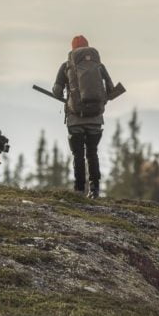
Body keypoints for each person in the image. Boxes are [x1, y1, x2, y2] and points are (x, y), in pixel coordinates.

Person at [52, 35, 114, 198]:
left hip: (75, 119)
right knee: (92, 153)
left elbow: (57, 91)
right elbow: (111, 89)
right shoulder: (99, 66)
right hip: (95, 118)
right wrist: (101, 100)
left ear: (72, 49)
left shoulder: (66, 66)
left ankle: (79, 190)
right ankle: (94, 189)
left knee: (78, 155)